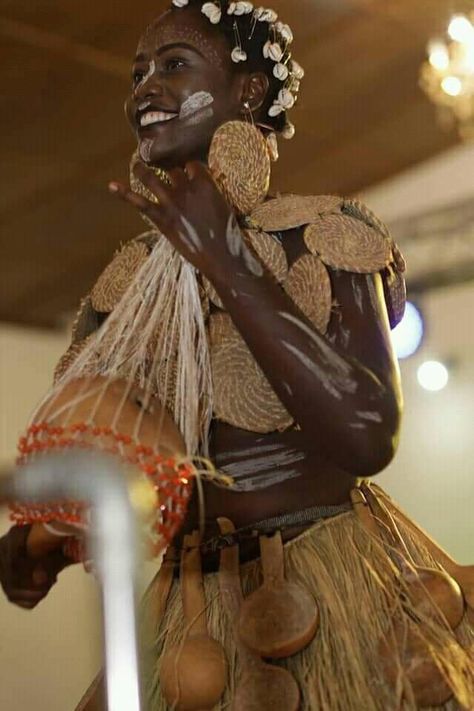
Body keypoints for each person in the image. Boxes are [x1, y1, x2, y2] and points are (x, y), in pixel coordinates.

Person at [1, 2, 473, 709]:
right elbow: (113, 472)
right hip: (186, 612)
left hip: (332, 586)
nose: (144, 90)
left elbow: (368, 433)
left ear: (247, 92)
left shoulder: (326, 234)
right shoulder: (123, 284)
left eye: (173, 65)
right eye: (137, 73)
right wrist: (37, 543)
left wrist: (224, 254)